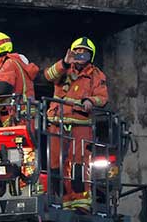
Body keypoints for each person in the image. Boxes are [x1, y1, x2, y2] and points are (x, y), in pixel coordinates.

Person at [43, 36, 108, 211]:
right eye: (77, 52)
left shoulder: (96, 75)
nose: (80, 56)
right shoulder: (63, 68)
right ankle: (61, 201)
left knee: (79, 163)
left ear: (90, 57)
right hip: (57, 123)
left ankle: (80, 201)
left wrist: (90, 101)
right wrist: (64, 62)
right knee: (55, 163)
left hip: (81, 125)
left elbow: (102, 98)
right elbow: (48, 76)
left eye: (84, 54)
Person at [0, 32, 39, 126]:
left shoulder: (9, 63)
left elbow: (4, 87)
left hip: (18, 119)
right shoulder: (18, 63)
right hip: (26, 118)